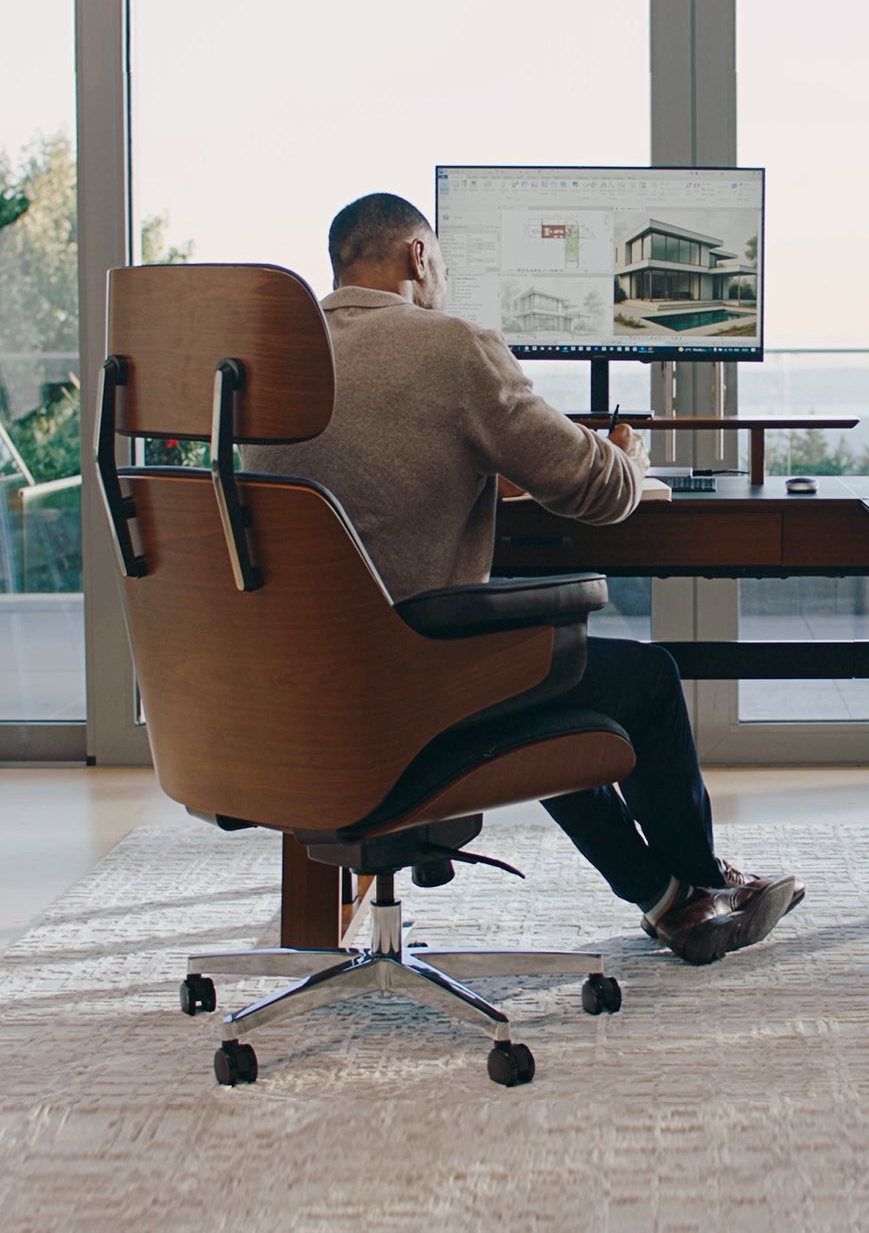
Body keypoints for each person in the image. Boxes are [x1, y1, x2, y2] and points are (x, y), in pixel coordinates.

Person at [245, 192, 801, 964]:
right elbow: (592, 489)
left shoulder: (268, 360)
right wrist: (630, 462)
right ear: (418, 258)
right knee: (631, 677)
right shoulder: (451, 346)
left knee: (534, 673)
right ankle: (699, 885)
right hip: (420, 689)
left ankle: (672, 899)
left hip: (292, 696)